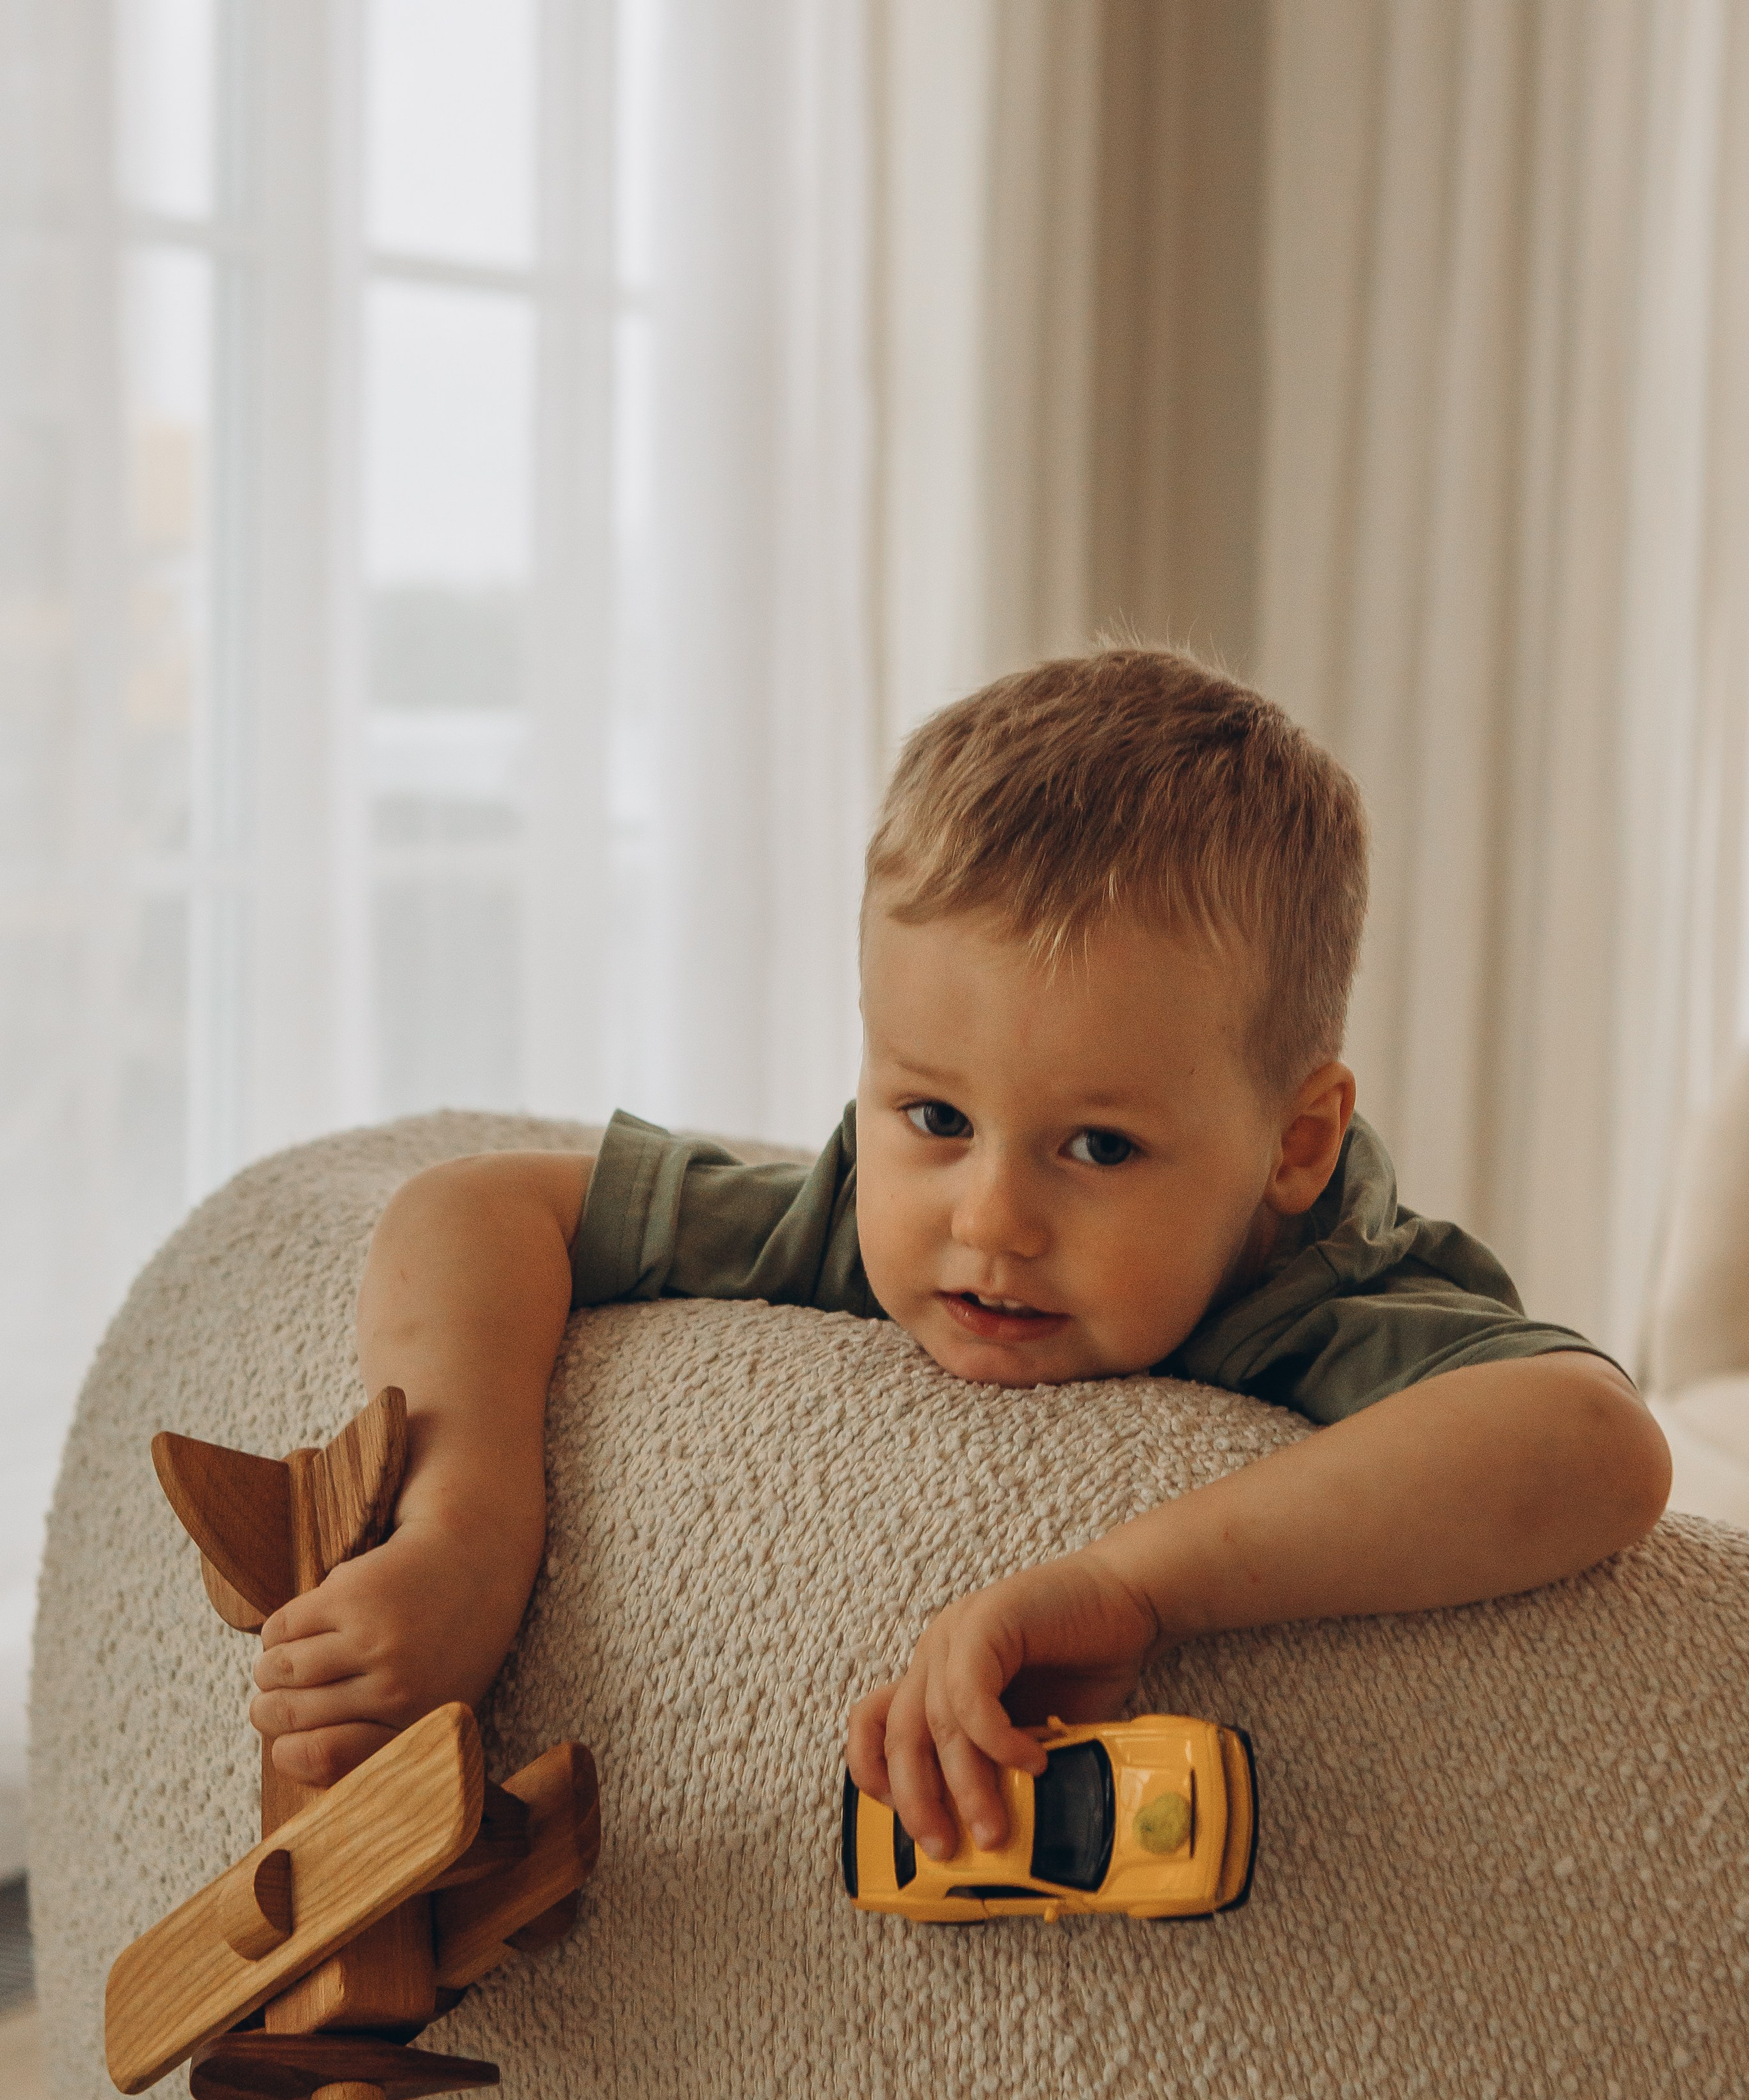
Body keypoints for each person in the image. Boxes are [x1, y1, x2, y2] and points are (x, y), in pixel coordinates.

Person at [249, 647, 1670, 1867]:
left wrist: (1131, 1585)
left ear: (1293, 1148)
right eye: (933, 1115)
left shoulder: (1326, 1291)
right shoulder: (846, 1214)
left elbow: (1600, 1444)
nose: (987, 1221)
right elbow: (466, 1207)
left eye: (1097, 1148)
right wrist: (467, 1531)